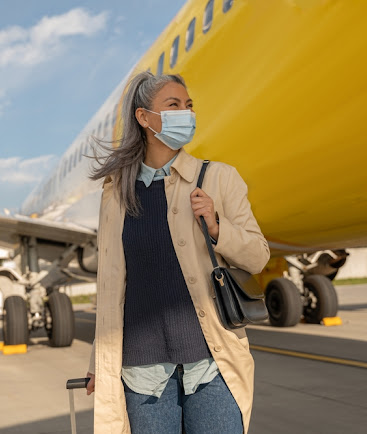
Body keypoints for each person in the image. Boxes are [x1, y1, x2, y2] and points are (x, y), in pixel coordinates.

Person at [85, 71, 269, 434]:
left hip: (211, 362)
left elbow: (258, 257)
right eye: (173, 106)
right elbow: (110, 287)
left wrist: (217, 227)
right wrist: (98, 361)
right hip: (142, 371)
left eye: (188, 106)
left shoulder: (218, 178)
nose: (185, 114)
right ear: (144, 117)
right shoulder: (116, 194)